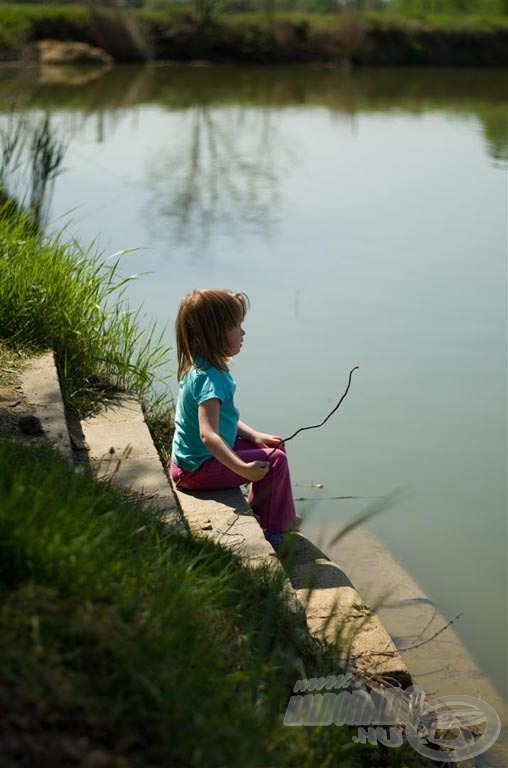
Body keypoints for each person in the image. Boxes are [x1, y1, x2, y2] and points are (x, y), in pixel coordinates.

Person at [169, 288, 297, 549]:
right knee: (276, 462)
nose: (243, 332)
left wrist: (254, 436)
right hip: (197, 470)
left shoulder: (205, 369)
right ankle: (273, 532)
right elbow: (208, 434)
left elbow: (224, 420)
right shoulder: (209, 380)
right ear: (215, 334)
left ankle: (270, 511)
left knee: (271, 449)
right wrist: (242, 469)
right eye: (236, 326)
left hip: (193, 464)